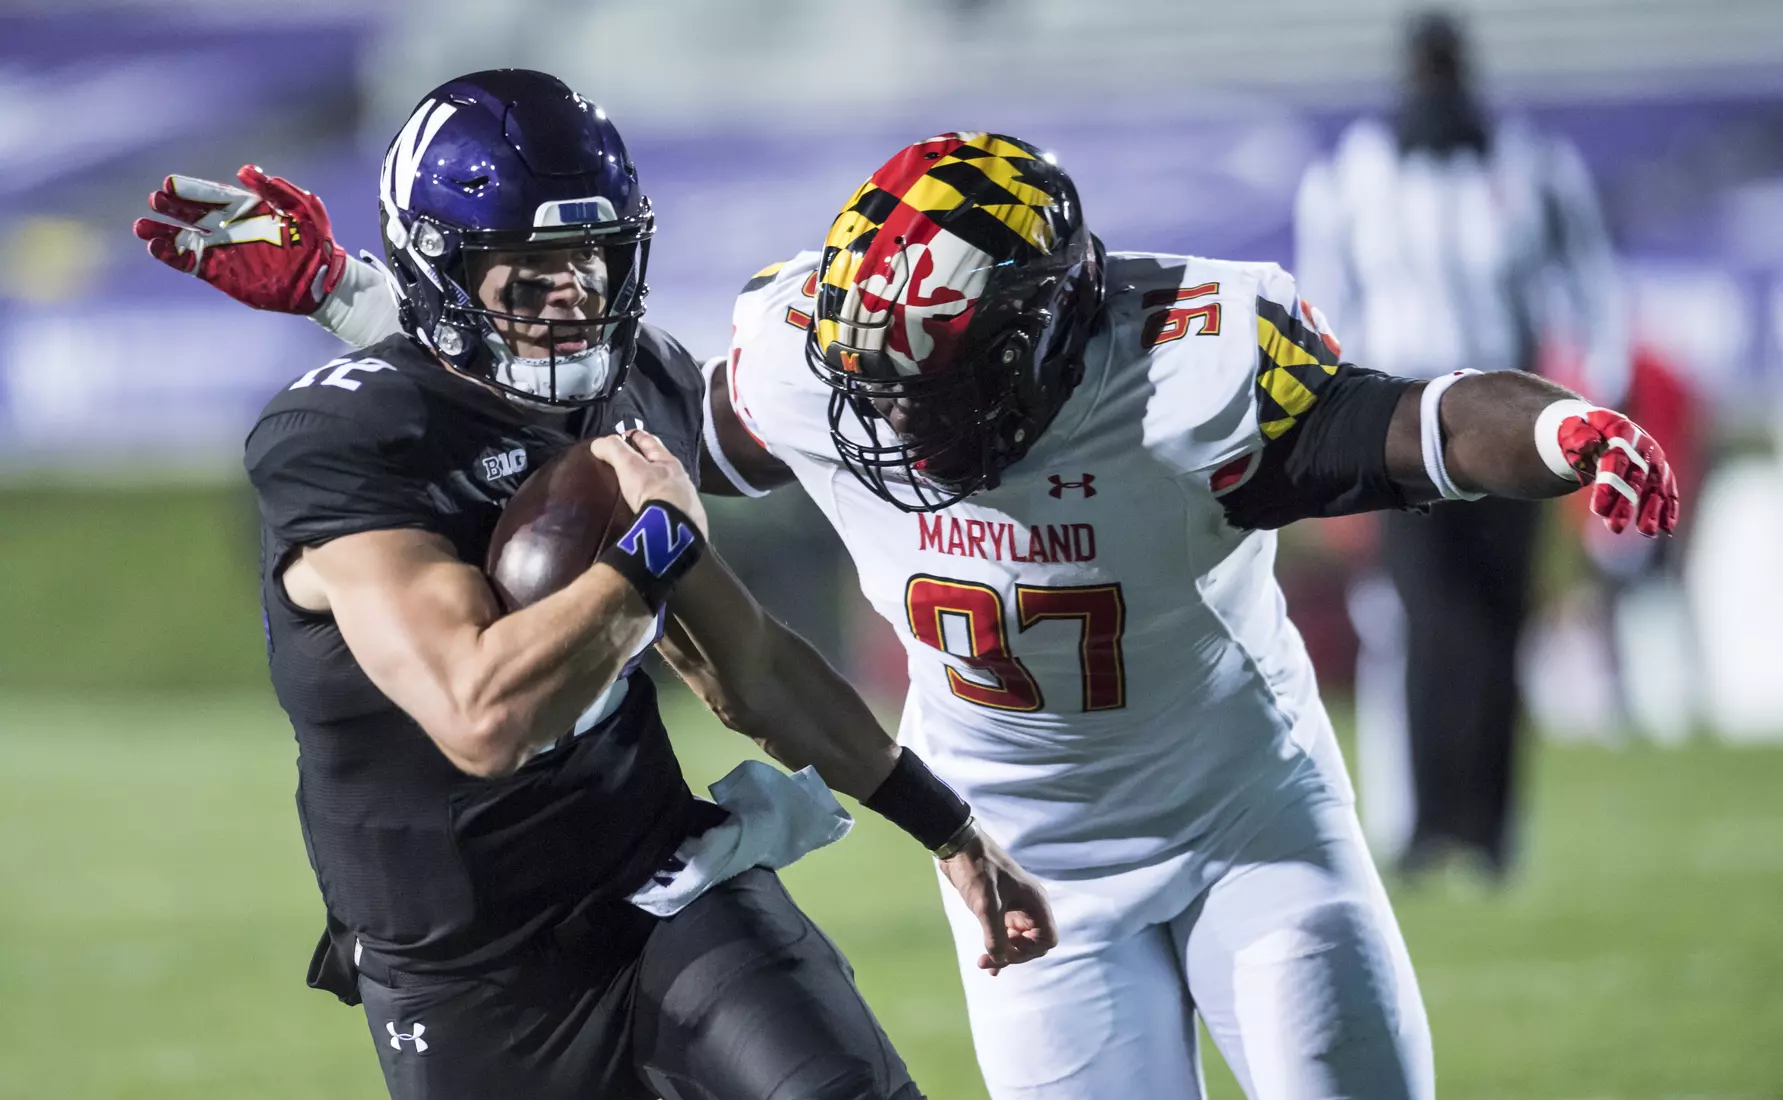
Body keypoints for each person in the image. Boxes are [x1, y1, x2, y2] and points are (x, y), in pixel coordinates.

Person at [142, 129, 1677, 1099]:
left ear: (1042, 340)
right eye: (867, 374)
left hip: (1224, 819)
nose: (883, 412)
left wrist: (1563, 436)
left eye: (931, 380)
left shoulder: (1182, 367)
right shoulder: (814, 362)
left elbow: (1413, 423)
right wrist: (359, 293)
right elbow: (532, 404)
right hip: (990, 858)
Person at [134, 71, 1056, 1100]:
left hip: (662, 887)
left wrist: (949, 826)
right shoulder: (345, 437)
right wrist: (653, 546)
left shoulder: (628, 386)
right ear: (447, 272)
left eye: (592, 258)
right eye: (531, 271)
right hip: (468, 978)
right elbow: (485, 718)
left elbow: (748, 667)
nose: (573, 296)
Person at [1293, 11, 1631, 875]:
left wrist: (1587, 413)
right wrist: (1340, 426)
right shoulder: (1351, 179)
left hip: (1513, 418)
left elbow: (1590, 291)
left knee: (1497, 614)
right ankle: (1431, 822)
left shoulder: (1531, 167)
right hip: (1402, 419)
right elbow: (1325, 311)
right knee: (1428, 615)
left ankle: (1484, 829)